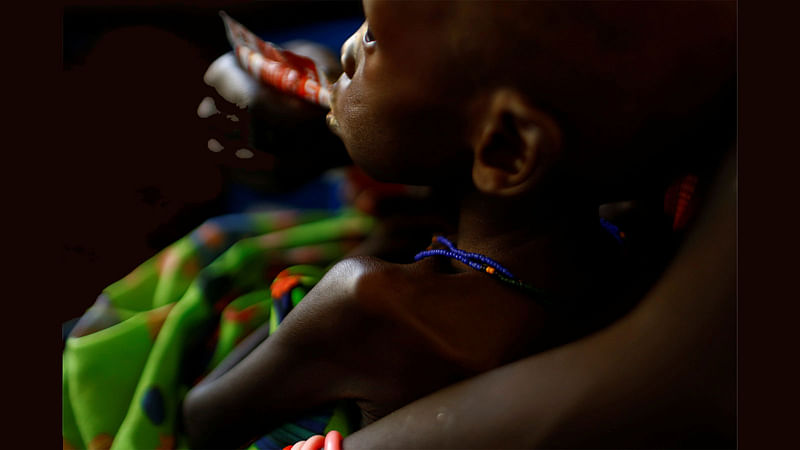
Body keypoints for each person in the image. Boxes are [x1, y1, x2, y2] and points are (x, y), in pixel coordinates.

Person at [183, 1, 735, 448]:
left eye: (372, 36)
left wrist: (299, 314)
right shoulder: (635, 258)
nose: (344, 51)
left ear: (504, 150)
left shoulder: (366, 298)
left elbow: (201, 415)